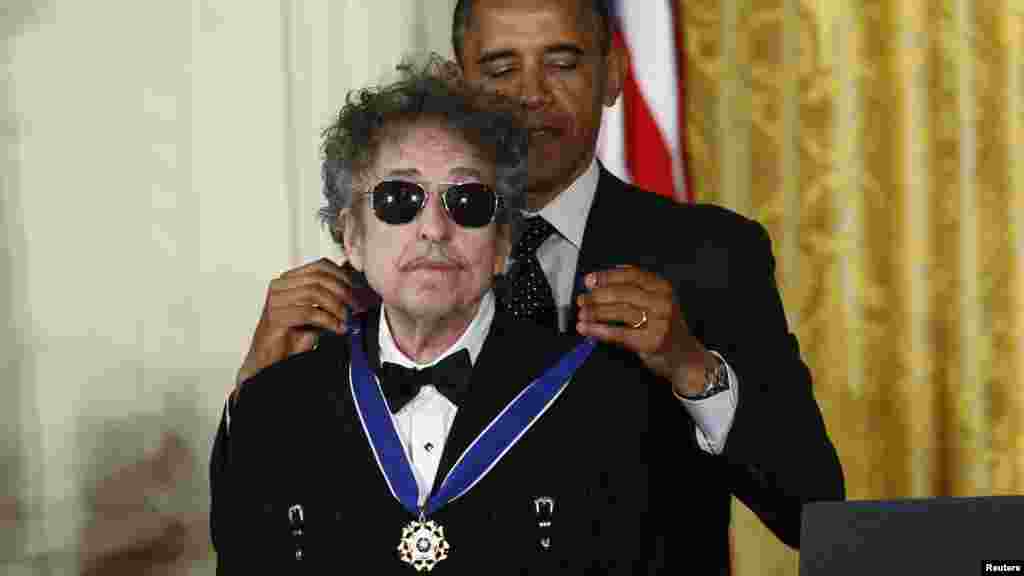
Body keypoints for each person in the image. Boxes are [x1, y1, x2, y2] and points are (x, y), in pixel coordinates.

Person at [223, 0, 845, 572]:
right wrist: (258, 374)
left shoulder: (711, 256)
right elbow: (257, 526)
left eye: (562, 63)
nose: (529, 95)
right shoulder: (386, 267)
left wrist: (689, 366)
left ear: (613, 74)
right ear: (459, 82)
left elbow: (811, 509)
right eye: (499, 68)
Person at [210, 62, 655, 573]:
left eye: (467, 200)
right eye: (400, 199)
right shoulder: (273, 411)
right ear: (351, 236)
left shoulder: (603, 400)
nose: (434, 229)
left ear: (503, 243)